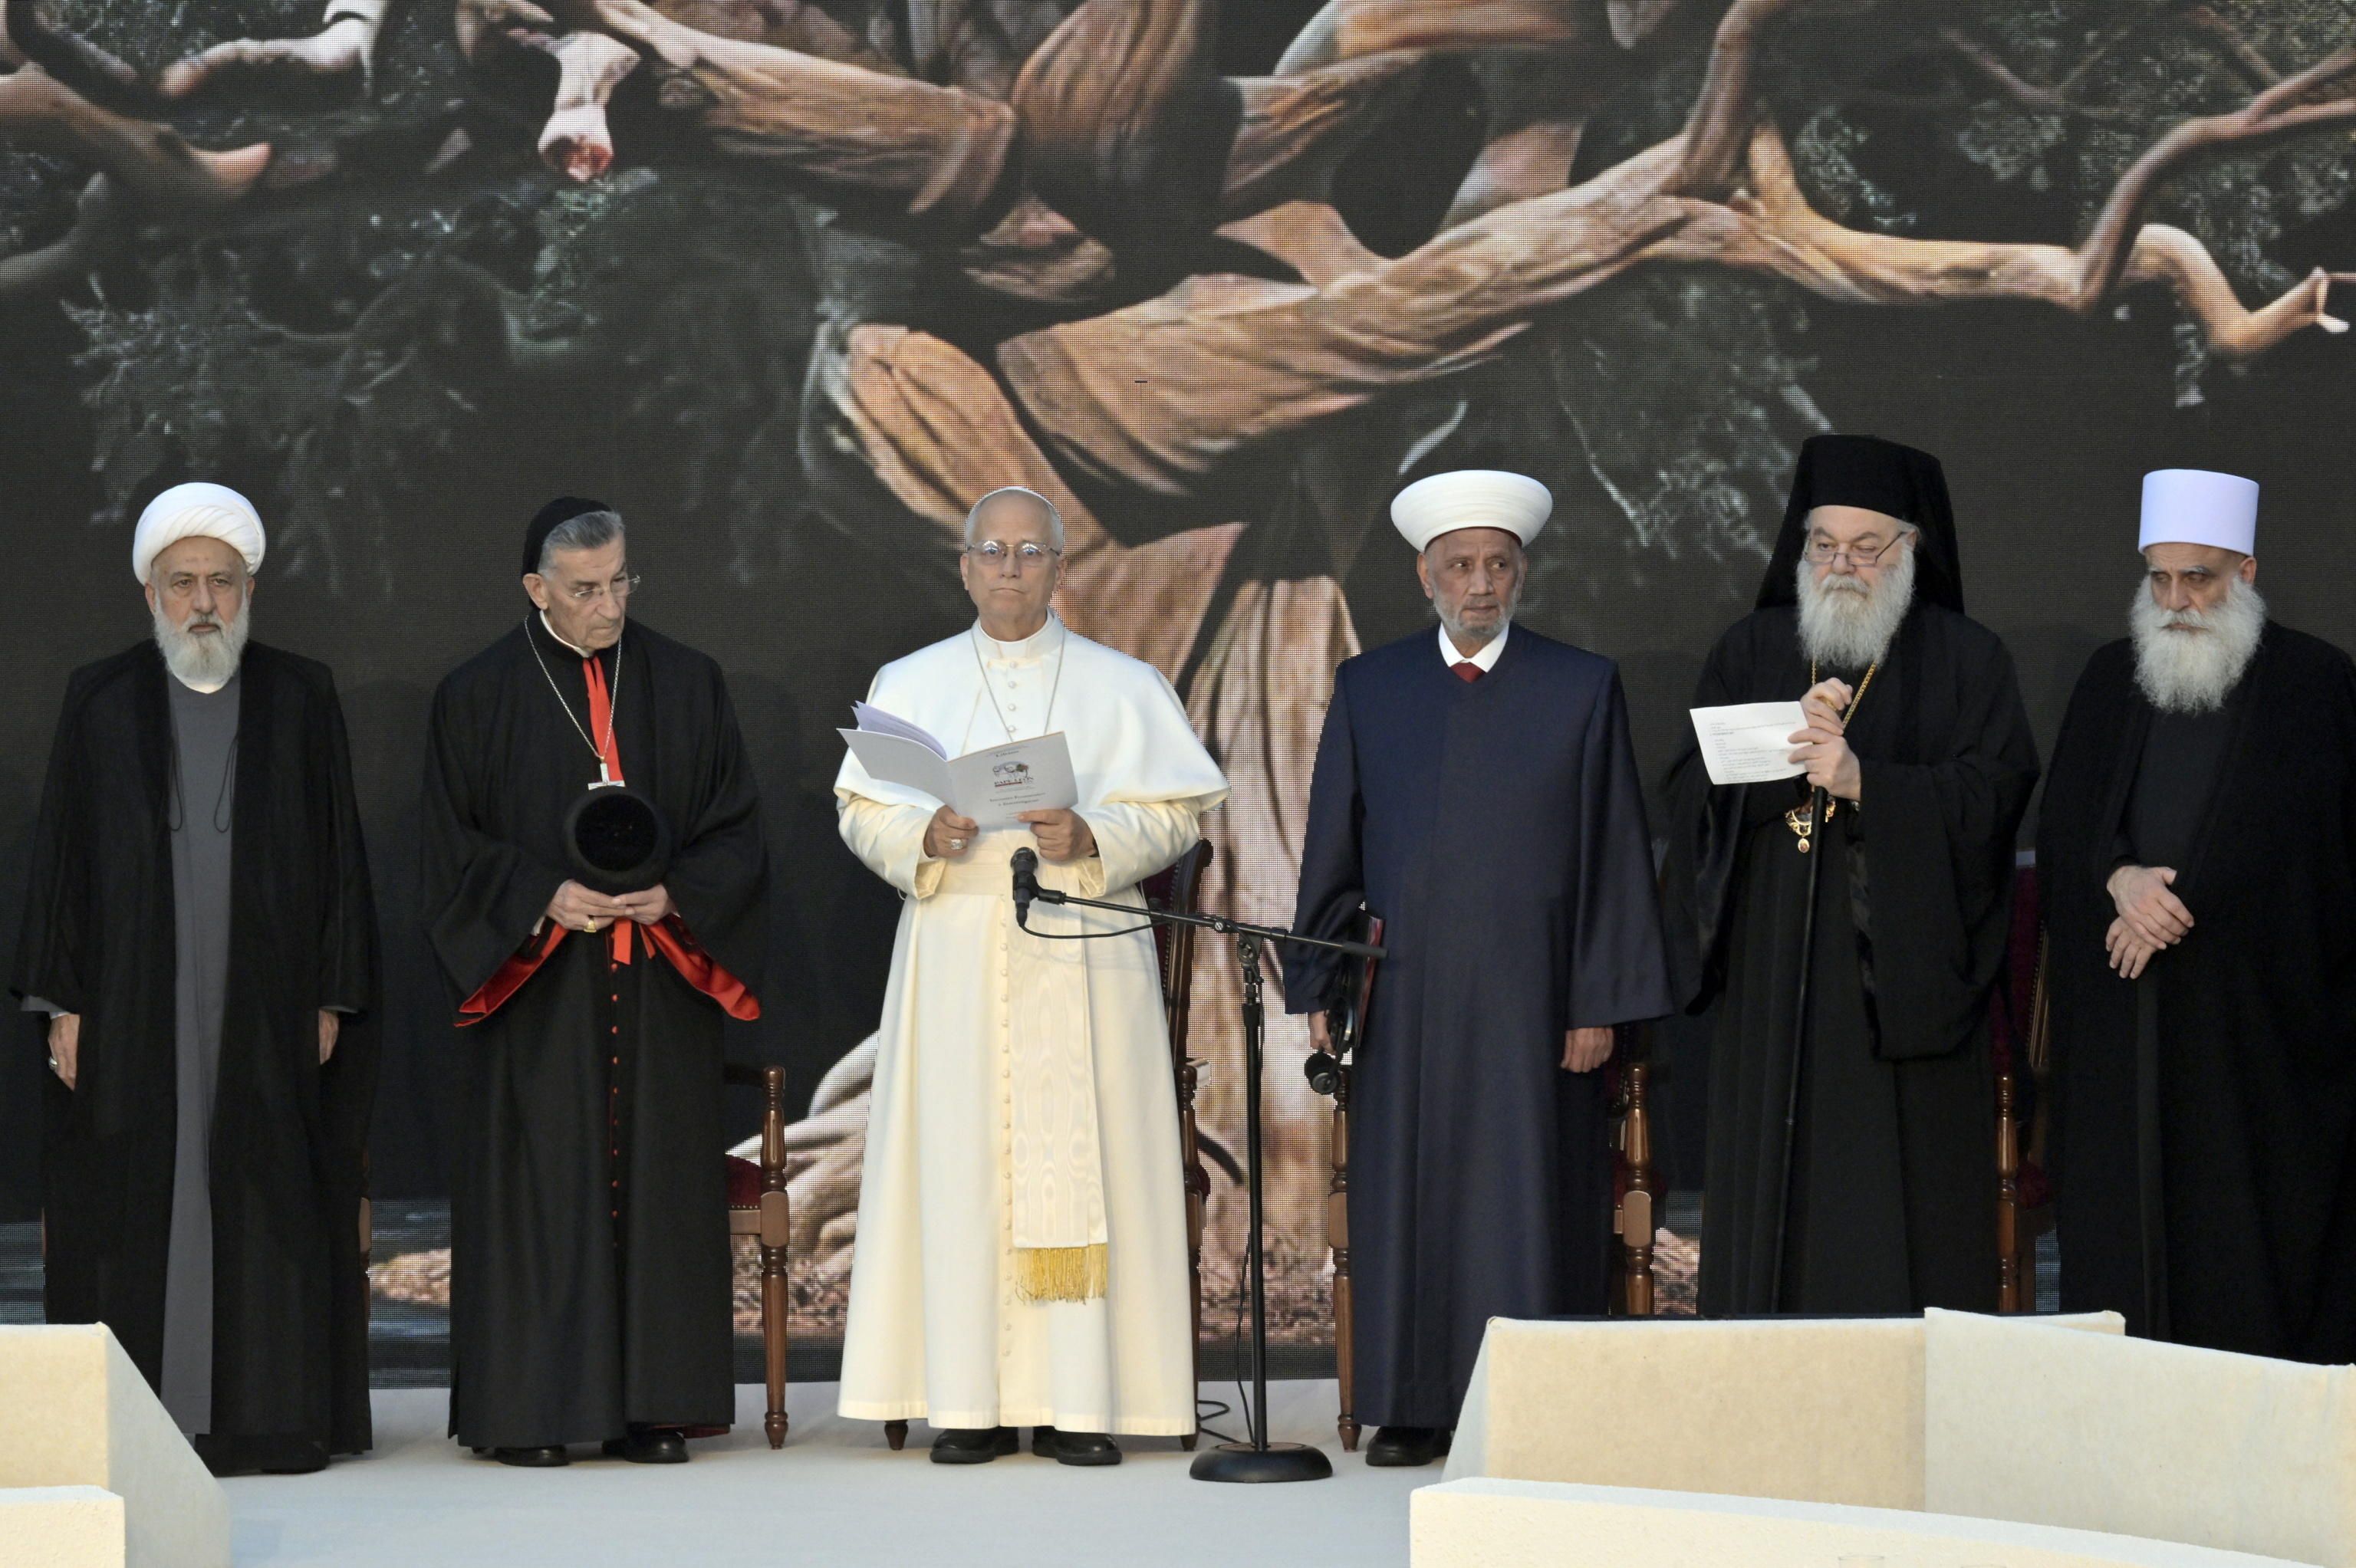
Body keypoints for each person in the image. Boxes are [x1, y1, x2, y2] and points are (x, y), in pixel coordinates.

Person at [1286, 468, 1677, 1468]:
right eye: (1460, 564)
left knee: (1526, 1198)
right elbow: (1336, 843)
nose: (1480, 581)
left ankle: (1530, 1399)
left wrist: (1597, 1000)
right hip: (1404, 997)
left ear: (1521, 573)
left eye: (1498, 563)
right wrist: (1325, 986)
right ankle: (1412, 1402)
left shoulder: (1581, 684)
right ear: (1425, 574)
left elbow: (1614, 855)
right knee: (1407, 1196)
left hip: (1533, 999)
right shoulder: (1371, 686)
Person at [834, 485, 1229, 1466]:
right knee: (960, 1162)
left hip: (1087, 944)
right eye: (991, 550)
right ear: (963, 565)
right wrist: (920, 829)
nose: (1010, 567)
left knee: (1091, 1157)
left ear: (1063, 570)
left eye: (1030, 551)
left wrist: (1095, 829)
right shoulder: (909, 679)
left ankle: (1080, 1402)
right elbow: (860, 810)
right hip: (956, 950)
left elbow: (1178, 814)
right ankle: (963, 1402)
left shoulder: (1124, 682)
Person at [13, 482, 379, 1475]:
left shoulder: (302, 694)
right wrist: (62, 999)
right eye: (183, 583)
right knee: (139, 1188)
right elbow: (61, 862)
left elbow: (341, 856)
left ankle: (266, 1420)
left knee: (262, 1193)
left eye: (222, 580)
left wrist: (333, 993)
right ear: (151, 594)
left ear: (251, 586)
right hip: (132, 1001)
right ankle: (139, 1424)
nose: (204, 601)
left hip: (264, 999)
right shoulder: (101, 698)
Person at [420, 497, 768, 1466]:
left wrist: (676, 895)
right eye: (584, 589)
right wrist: (544, 896)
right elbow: (448, 847)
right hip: (543, 993)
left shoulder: (689, 682)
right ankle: (533, 1411)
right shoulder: (477, 694)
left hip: (657, 981)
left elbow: (738, 830)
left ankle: (653, 1408)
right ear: (537, 589)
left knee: (660, 1186)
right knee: (543, 1190)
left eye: (620, 582)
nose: (608, 606)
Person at [1663, 435, 2038, 1316]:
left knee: (1899, 1229)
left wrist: (1871, 784)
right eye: (1823, 544)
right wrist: (1778, 752)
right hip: (1773, 991)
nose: (1842, 565)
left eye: (1866, 547)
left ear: (1911, 549)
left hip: (1899, 997)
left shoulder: (1967, 659)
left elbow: (1999, 794)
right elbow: (1686, 796)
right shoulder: (1752, 648)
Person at [2041, 469, 2356, 1361]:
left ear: (2246, 573)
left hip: (2260, 1039)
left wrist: (2190, 908)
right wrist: (2121, 883)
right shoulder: (2110, 677)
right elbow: (2066, 824)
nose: (2177, 601)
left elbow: (2324, 852)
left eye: (2201, 578)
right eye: (2161, 579)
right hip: (2125, 1031)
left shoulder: (2315, 682)